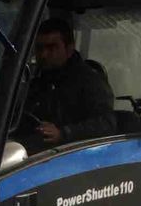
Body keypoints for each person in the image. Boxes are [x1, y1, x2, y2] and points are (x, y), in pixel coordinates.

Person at [18, 17, 116, 152]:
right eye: (40, 48)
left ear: (69, 49)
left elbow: (107, 124)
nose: (44, 54)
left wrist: (63, 133)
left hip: (76, 154)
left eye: (52, 47)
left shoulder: (89, 81)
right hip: (37, 152)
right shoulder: (38, 82)